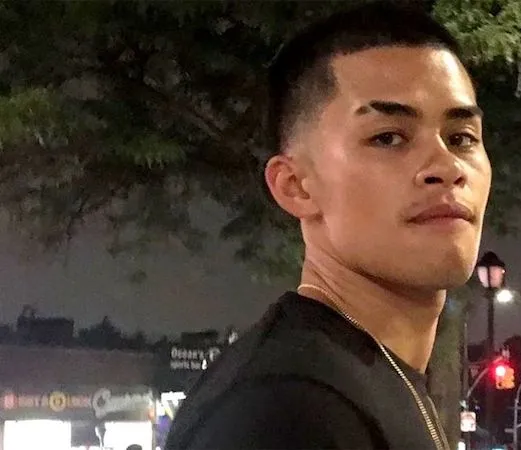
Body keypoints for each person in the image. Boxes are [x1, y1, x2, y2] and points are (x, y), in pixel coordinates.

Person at [164, 2, 492, 449]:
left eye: (461, 138)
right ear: (296, 186)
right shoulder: (285, 410)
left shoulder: (363, 381)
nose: (447, 167)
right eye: (388, 137)